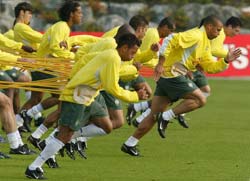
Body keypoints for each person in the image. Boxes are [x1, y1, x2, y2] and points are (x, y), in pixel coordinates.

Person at [25, 33, 148, 179]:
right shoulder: (112, 57)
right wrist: (136, 96)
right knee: (65, 134)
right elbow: (112, 88)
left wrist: (133, 70)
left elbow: (85, 59)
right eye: (132, 52)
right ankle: (34, 166)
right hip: (76, 97)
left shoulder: (110, 55)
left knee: (106, 127)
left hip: (88, 97)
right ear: (124, 48)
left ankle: (58, 139)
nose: (133, 57)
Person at [121, 15, 241, 156]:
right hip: (172, 74)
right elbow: (169, 39)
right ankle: (166, 117)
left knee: (153, 115)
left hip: (170, 76)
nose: (219, 33)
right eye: (218, 30)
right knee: (200, 99)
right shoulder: (196, 35)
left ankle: (130, 143)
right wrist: (160, 63)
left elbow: (210, 66)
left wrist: (226, 60)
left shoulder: (206, 43)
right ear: (209, 27)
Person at [20, 0, 83, 133]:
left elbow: (59, 48)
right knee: (61, 96)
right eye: (79, 12)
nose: (81, 15)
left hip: (43, 65)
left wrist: (69, 50)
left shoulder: (63, 27)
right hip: (43, 66)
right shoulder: (62, 27)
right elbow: (56, 48)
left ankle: (18, 120)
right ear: (71, 14)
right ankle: (35, 119)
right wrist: (74, 56)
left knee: (36, 98)